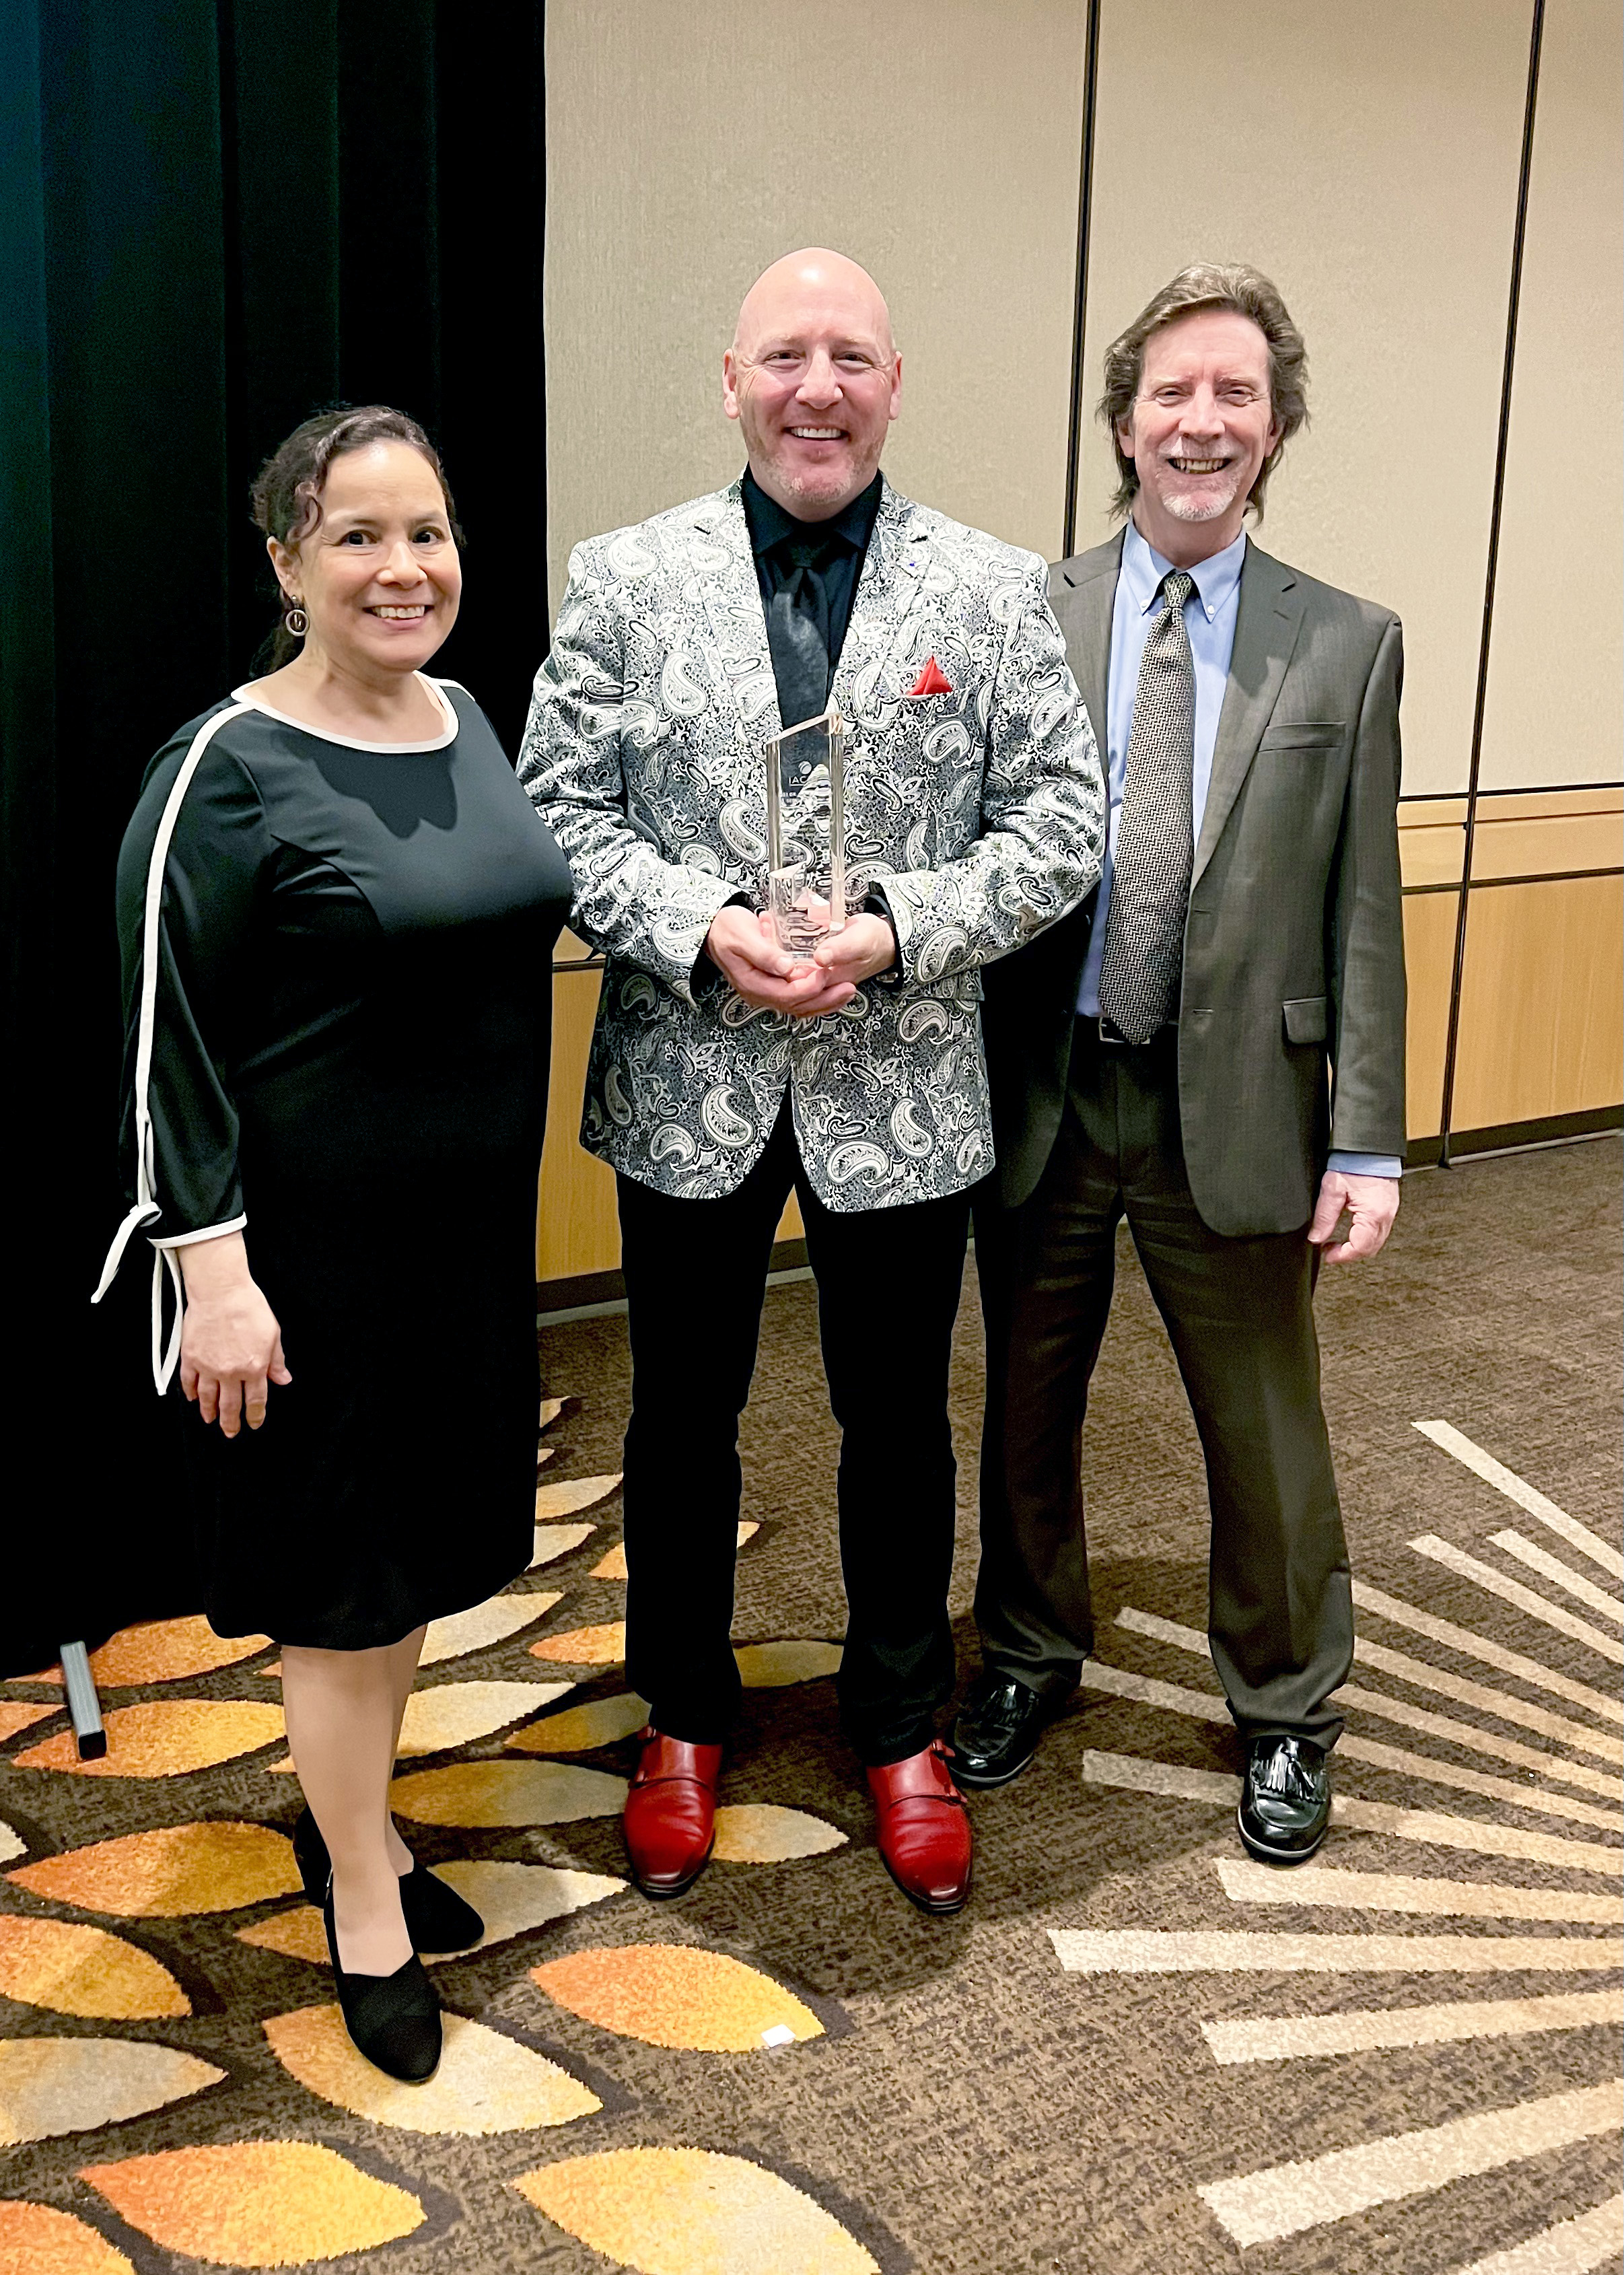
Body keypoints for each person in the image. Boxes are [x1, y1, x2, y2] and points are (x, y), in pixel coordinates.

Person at [520, 248, 1103, 1917]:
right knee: (681, 1419)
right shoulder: (623, 580)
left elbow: (1060, 827)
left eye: (851, 354)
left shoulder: (992, 594)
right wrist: (698, 927)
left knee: (896, 1423)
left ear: (895, 384)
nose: (817, 386)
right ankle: (683, 1714)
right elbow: (559, 811)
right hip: (686, 1073)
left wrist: (900, 928)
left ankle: (900, 1719)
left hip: (901, 1084)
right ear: (730, 379)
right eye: (786, 354)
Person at [96, 407, 573, 2079]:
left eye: (427, 531)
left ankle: (350, 1812)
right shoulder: (219, 770)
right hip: (306, 1272)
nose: (403, 567)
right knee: (340, 1591)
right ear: (287, 558)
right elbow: (169, 1045)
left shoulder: (467, 719)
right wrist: (209, 1275)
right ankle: (361, 1883)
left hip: (460, 1251)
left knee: (421, 1562)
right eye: (357, 535)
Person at [955, 265, 1405, 1867]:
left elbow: (1363, 905)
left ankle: (1286, 1703)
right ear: (1124, 421)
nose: (1199, 421)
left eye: (1233, 393)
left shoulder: (1345, 645)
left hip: (1241, 1101)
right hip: (1050, 1092)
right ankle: (1023, 1651)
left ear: (1273, 427)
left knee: (1266, 1424)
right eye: (1169, 392)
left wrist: (1369, 1139)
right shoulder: (1028, 612)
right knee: (1023, 1399)